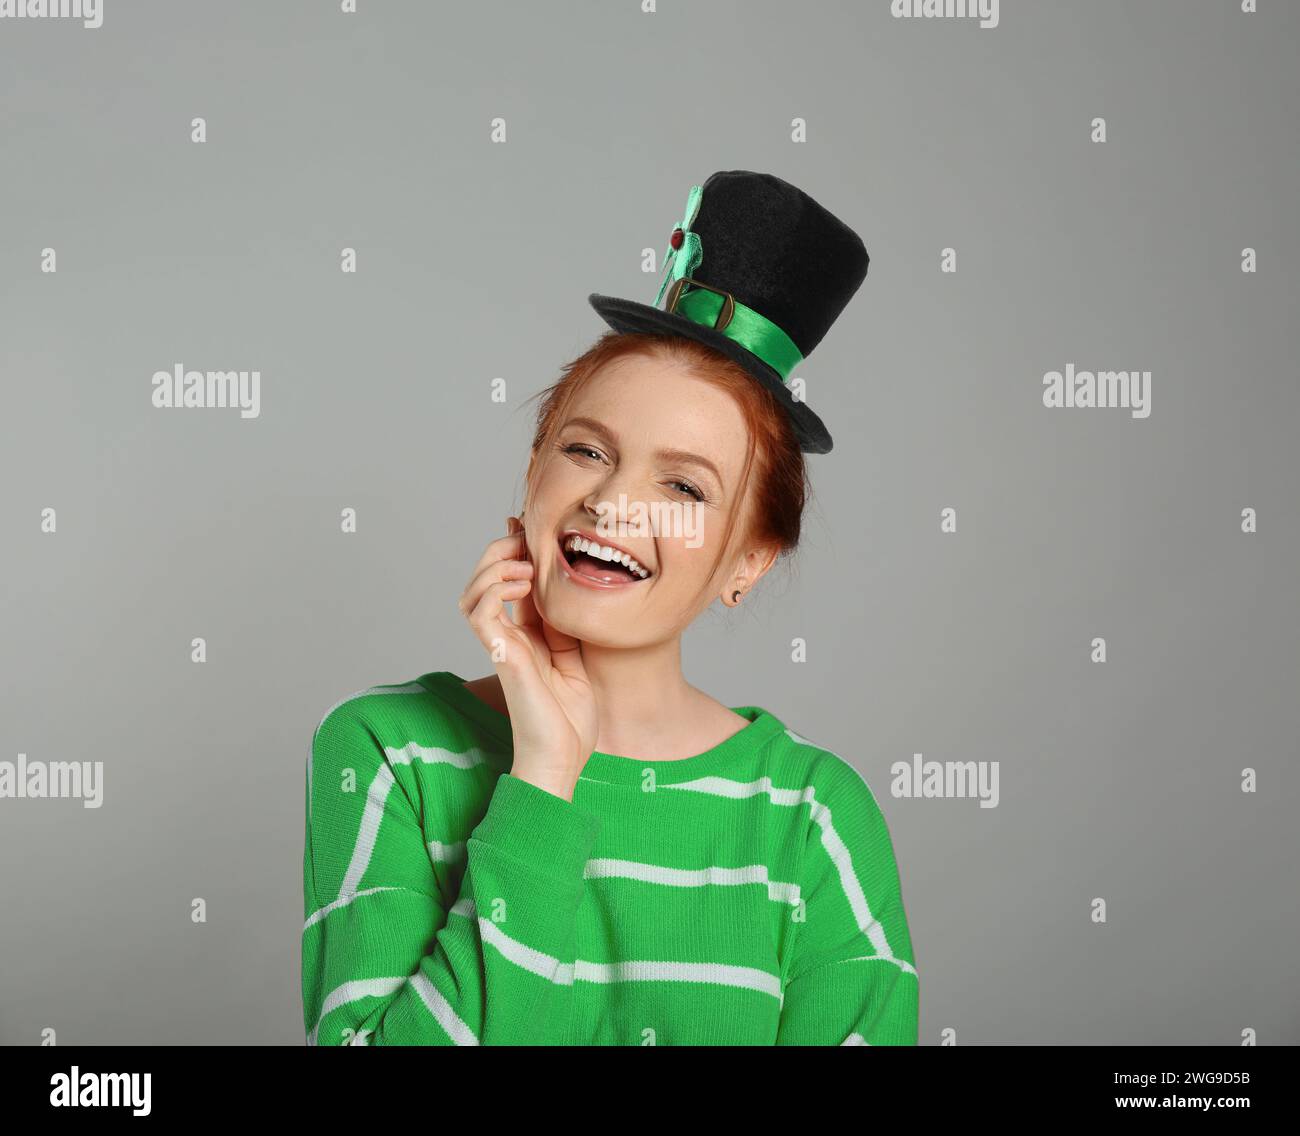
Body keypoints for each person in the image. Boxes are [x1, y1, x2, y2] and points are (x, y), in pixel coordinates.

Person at [301, 171, 919, 1045]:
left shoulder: (812, 817)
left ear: (749, 559)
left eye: (682, 485)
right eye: (587, 449)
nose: (616, 505)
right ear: (533, 471)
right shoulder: (386, 751)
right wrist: (543, 782)